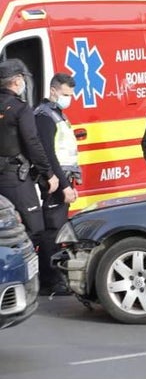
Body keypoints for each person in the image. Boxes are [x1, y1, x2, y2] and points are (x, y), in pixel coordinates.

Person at [0, 59, 59, 288]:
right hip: (16, 179)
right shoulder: (20, 108)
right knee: (35, 228)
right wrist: (48, 173)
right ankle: (40, 281)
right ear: (17, 81)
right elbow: (33, 143)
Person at [33, 72, 79, 294]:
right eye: (65, 94)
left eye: (70, 94)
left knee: (58, 229)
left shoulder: (56, 113)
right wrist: (64, 185)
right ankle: (50, 281)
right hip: (55, 182)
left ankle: (55, 277)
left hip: (63, 178)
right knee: (52, 231)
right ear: (53, 91)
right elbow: (49, 155)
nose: (68, 99)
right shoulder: (44, 116)